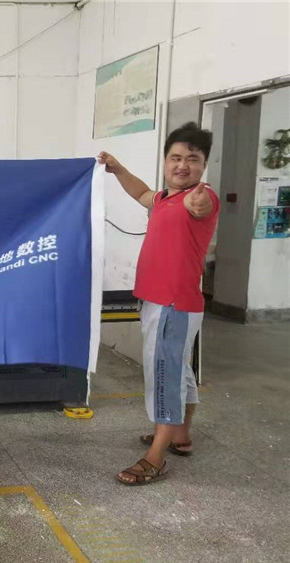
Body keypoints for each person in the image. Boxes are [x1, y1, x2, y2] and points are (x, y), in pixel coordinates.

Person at [98, 122, 219, 485]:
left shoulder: (201, 197)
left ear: (204, 165)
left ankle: (155, 458)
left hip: (172, 304)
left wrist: (198, 200)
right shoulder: (165, 198)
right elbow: (141, 193)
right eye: (175, 158)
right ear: (165, 161)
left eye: (192, 159)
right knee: (180, 370)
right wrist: (118, 168)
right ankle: (180, 437)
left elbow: (200, 205)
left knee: (164, 375)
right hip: (161, 301)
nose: (182, 165)